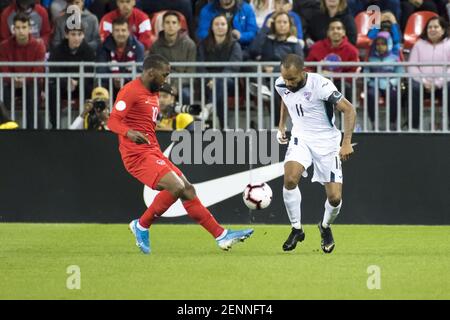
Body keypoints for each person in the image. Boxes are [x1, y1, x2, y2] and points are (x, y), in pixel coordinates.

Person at [107, 54, 254, 254]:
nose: (166, 79)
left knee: (187, 190)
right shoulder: (130, 91)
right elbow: (112, 121)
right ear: (151, 72)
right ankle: (141, 225)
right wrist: (130, 133)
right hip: (137, 155)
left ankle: (221, 235)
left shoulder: (154, 93)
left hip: (153, 151)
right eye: (164, 75)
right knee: (175, 187)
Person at [275, 53, 356, 253]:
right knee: (290, 179)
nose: (288, 83)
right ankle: (296, 229)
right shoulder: (282, 84)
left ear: (303, 72)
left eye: (292, 79)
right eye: (285, 78)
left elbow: (349, 110)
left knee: (335, 198)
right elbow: (286, 99)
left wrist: (346, 142)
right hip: (300, 138)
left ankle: (325, 226)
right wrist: (281, 126)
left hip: (327, 142)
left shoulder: (322, 86)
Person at [0, 12, 46, 129]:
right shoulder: (4, 46)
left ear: (30, 29)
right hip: (10, 83)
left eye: (24, 27)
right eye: (18, 28)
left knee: (31, 95)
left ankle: (32, 133)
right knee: (3, 95)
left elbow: (39, 69)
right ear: (13, 29)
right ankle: (6, 129)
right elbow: (3, 69)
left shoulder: (39, 45)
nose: (21, 31)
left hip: (30, 83)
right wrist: (13, 79)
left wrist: (24, 79)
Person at [197, 14, 243, 129]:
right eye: (216, 24)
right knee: (219, 90)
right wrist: (209, 79)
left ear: (228, 27)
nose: (220, 27)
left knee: (220, 83)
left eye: (223, 24)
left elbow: (234, 66)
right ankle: (224, 126)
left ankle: (209, 105)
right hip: (207, 83)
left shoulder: (235, 45)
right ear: (211, 27)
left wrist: (216, 79)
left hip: (230, 83)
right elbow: (200, 65)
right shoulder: (203, 44)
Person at [48, 22, 95, 129]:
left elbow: (90, 75)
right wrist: (67, 81)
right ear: (66, 35)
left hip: (81, 86)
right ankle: (55, 125)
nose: (77, 38)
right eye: (73, 34)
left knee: (89, 89)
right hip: (63, 85)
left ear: (83, 35)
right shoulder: (57, 50)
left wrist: (78, 82)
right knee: (52, 89)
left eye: (79, 34)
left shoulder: (89, 51)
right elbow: (53, 72)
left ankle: (88, 125)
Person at [407, 16, 450, 129]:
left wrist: (438, 83)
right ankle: (413, 127)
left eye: (436, 27)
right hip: (423, 84)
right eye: (430, 27)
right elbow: (412, 67)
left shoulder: (449, 44)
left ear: (443, 30)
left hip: (443, 84)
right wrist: (424, 82)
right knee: (413, 87)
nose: (432, 29)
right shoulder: (419, 44)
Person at [149, 10, 196, 104]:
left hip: (182, 84)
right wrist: (165, 86)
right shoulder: (155, 46)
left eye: (174, 22)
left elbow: (190, 73)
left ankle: (186, 118)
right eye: (167, 22)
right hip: (161, 84)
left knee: (186, 94)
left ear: (179, 25)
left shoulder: (190, 45)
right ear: (163, 25)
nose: (171, 25)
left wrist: (175, 87)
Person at [96, 16, 145, 98]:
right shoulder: (103, 47)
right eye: (117, 30)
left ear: (128, 32)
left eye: (123, 30)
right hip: (109, 86)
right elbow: (101, 70)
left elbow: (139, 71)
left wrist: (123, 80)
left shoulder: (138, 47)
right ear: (112, 32)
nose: (120, 33)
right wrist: (113, 79)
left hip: (130, 86)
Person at [365, 31, 403, 129]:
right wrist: (369, 81)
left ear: (389, 44)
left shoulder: (395, 58)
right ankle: (373, 123)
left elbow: (400, 73)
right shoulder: (371, 58)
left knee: (393, 95)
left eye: (383, 44)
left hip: (390, 84)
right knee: (370, 94)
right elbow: (366, 72)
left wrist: (392, 82)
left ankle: (392, 123)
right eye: (378, 44)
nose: (380, 46)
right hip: (374, 84)